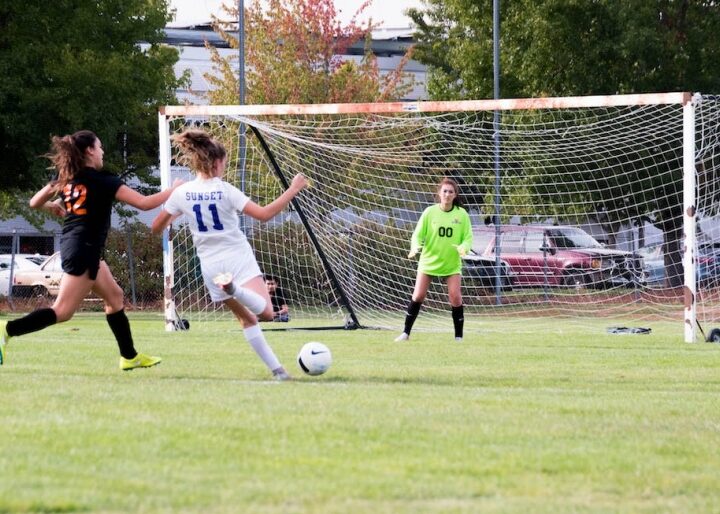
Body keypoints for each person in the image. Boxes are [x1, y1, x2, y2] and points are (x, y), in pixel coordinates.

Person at [0, 130, 183, 369]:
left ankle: (129, 356)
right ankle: (7, 329)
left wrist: (53, 205)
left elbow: (34, 202)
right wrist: (174, 190)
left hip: (80, 246)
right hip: (83, 248)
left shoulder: (67, 177)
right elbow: (144, 202)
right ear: (90, 151)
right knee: (63, 312)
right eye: (100, 147)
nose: (103, 151)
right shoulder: (102, 180)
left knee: (115, 297)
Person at [150, 129, 307, 381]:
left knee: (247, 320)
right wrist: (293, 189)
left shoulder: (182, 193)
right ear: (216, 162)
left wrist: (174, 215)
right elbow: (264, 215)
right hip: (237, 256)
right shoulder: (225, 190)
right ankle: (234, 288)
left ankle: (278, 371)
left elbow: (156, 227)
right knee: (266, 313)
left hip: (211, 265)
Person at [395, 177, 473, 342]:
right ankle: (405, 333)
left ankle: (458, 337)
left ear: (455, 195)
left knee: (455, 297)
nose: (447, 194)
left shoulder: (462, 214)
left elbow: (468, 238)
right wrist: (414, 247)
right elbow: (418, 234)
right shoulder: (429, 212)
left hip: (451, 264)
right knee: (418, 296)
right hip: (429, 262)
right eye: (444, 191)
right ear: (439, 193)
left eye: (450, 192)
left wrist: (464, 248)